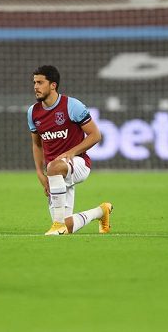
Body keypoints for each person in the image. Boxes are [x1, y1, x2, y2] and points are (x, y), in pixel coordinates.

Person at [27, 65, 112, 235]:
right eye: (34, 82)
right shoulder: (33, 112)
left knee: (55, 166)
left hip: (78, 163)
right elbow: (37, 145)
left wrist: (72, 152)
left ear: (53, 85)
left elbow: (95, 135)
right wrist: (39, 173)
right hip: (54, 173)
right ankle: (102, 211)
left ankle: (57, 224)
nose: (35, 86)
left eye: (40, 82)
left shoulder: (72, 106)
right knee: (68, 228)